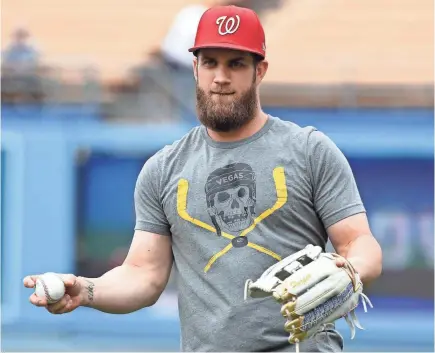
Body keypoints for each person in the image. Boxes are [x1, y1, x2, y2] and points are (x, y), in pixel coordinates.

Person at [23, 5, 382, 352]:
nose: (221, 77)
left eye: (236, 64)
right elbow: (143, 275)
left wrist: (349, 268)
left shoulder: (309, 150)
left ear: (260, 71)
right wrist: (85, 291)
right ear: (195, 68)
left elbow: (360, 244)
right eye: (210, 62)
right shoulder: (163, 169)